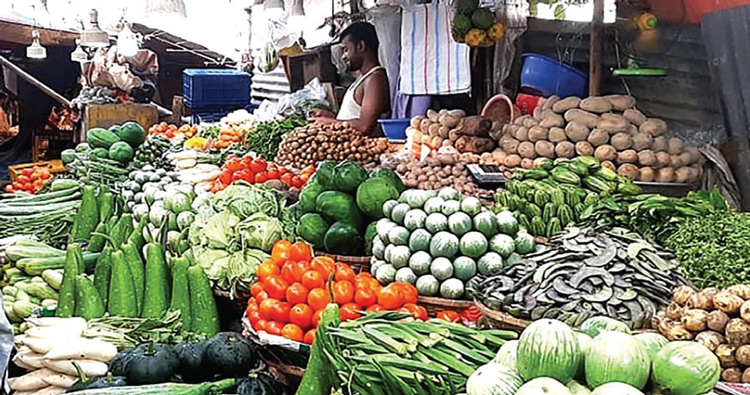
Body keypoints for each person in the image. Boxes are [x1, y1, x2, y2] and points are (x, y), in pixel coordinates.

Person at [309, 22, 391, 137]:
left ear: (361, 46)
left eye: (346, 49)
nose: (343, 56)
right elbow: (354, 117)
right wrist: (328, 116)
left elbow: (364, 126)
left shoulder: (375, 79)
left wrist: (330, 122)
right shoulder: (363, 78)